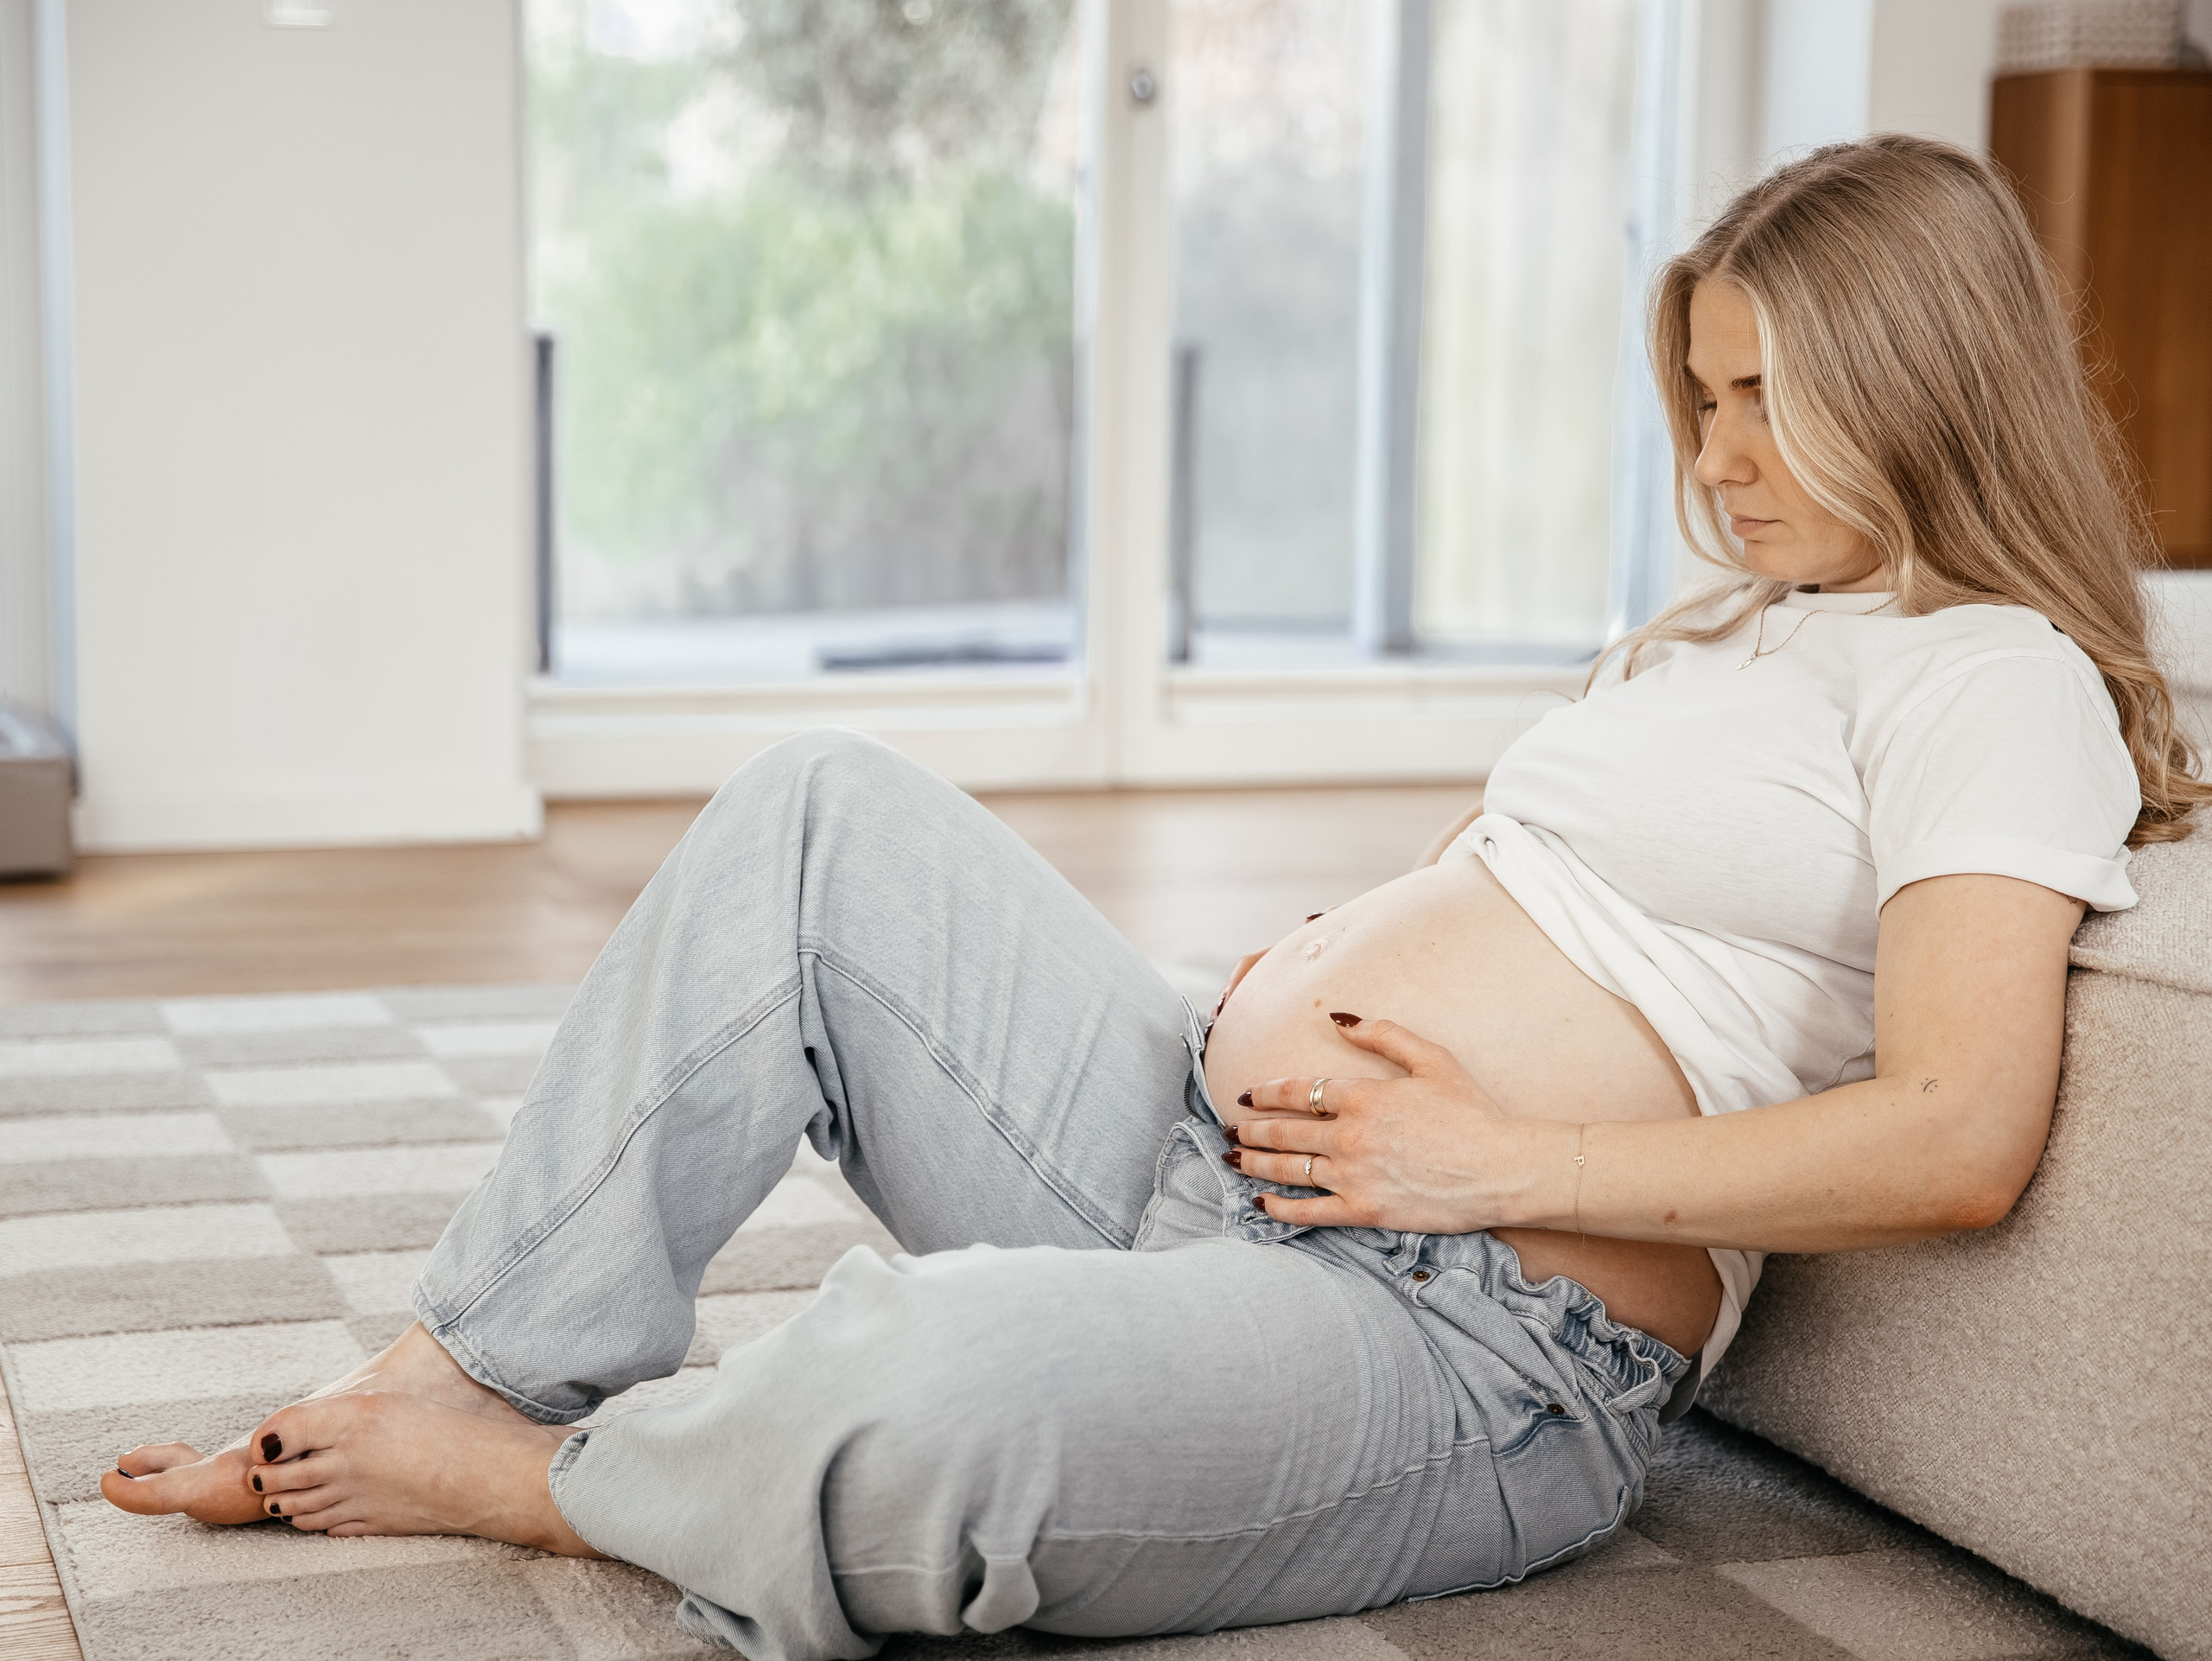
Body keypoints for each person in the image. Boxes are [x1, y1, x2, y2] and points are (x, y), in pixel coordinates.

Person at [104, 134, 2204, 1660]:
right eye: (1706, 393)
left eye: (1775, 396)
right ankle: (477, 1361)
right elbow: (1578, 900)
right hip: (1210, 1155)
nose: (1723, 451)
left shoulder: (1989, 680)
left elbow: (1956, 1133)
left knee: (932, 1389)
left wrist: (1494, 1146)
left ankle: (562, 1485)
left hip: (1470, 1340)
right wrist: (1318, 967)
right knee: (820, 806)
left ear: (1919, 375)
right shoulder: (1726, 635)